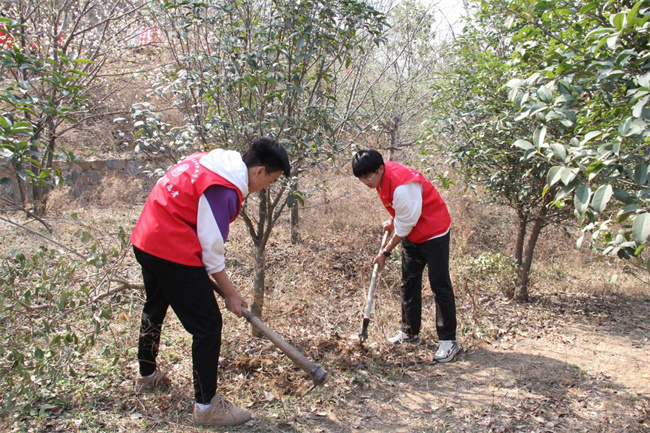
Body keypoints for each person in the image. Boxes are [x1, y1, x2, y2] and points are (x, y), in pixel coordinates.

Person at [130, 137, 291, 426]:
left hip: (146, 238)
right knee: (208, 326)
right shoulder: (222, 189)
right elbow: (212, 251)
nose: (267, 187)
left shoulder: (208, 160)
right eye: (271, 180)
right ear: (260, 171)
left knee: (155, 305)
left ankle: (147, 375)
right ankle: (206, 407)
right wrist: (231, 293)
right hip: (170, 249)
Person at [352, 149, 460, 363]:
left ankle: (448, 341)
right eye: (361, 178)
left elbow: (406, 221)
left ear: (380, 169)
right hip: (413, 232)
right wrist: (394, 220)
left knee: (439, 285)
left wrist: (385, 252)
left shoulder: (402, 186)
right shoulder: (381, 178)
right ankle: (409, 332)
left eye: (368, 177)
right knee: (409, 282)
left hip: (434, 232)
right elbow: (404, 212)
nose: (365, 182)